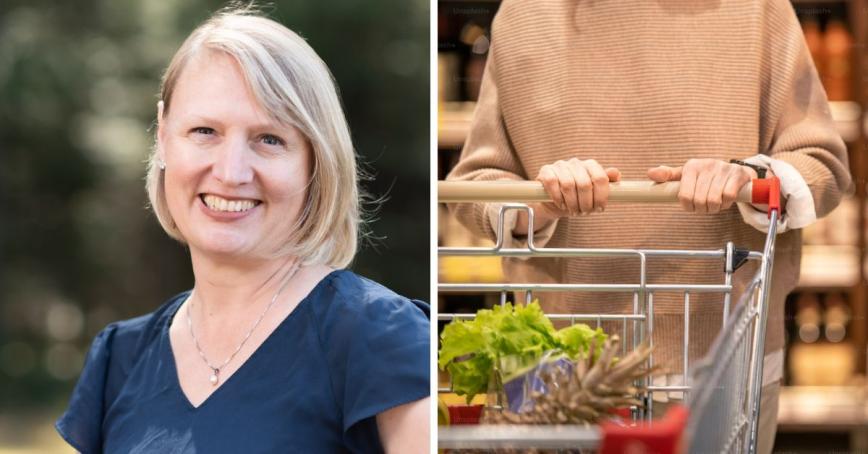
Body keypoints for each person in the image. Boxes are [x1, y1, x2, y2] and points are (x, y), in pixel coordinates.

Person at [446, 1, 851, 452]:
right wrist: (539, 204)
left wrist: (748, 177)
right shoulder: (525, 15)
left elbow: (824, 168)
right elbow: (474, 185)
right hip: (559, 378)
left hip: (726, 370)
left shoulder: (759, 10)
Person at [56, 7, 429, 453]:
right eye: (205, 131)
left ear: (315, 161)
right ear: (163, 136)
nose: (232, 172)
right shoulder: (120, 358)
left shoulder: (379, 336)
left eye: (269, 139)